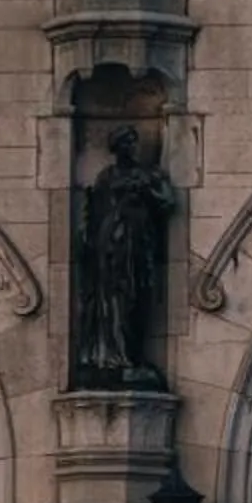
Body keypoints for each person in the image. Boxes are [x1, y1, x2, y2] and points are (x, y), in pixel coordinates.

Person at [75, 125, 180, 387]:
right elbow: (93, 215)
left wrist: (146, 191)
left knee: (137, 299)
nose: (131, 147)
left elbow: (167, 202)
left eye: (133, 142)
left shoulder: (148, 174)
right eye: (125, 142)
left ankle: (133, 356)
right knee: (112, 304)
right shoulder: (107, 177)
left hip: (139, 247)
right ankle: (114, 357)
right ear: (117, 148)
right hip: (111, 249)